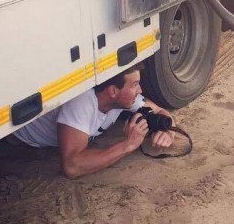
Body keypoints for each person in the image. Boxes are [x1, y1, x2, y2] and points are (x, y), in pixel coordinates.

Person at [11, 63, 174, 179]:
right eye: (135, 85)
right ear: (113, 91)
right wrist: (128, 145)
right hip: (18, 139)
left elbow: (160, 111)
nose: (140, 90)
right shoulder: (82, 103)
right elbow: (72, 166)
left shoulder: (123, 100)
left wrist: (168, 132)